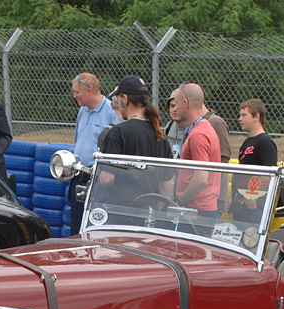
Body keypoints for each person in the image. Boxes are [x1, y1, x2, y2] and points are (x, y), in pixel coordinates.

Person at [94, 75, 172, 207]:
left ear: (124, 99)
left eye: (118, 100)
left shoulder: (117, 133)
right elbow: (168, 183)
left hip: (118, 211)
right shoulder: (160, 136)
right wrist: (156, 209)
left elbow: (107, 179)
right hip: (147, 212)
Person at [69, 72, 116, 233]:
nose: (74, 96)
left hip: (98, 180)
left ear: (89, 90)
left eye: (77, 92)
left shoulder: (111, 110)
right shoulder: (83, 110)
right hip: (78, 177)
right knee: (76, 227)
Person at [232, 98, 284, 224]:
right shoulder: (247, 142)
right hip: (241, 202)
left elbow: (269, 173)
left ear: (256, 116)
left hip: (254, 207)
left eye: (244, 115)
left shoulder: (265, 142)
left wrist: (253, 196)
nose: (240, 119)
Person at [172, 83, 221, 218]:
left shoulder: (198, 134)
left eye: (177, 103)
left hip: (196, 209)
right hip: (202, 207)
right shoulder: (204, 128)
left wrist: (181, 201)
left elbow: (201, 178)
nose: (175, 108)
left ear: (185, 103)